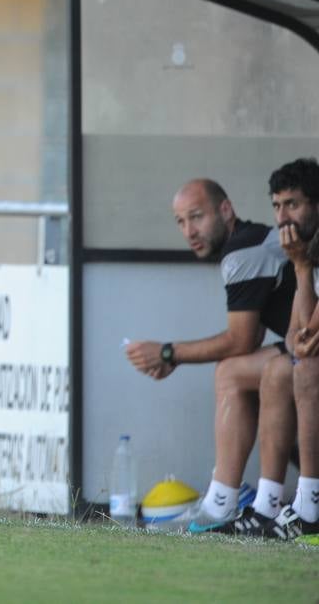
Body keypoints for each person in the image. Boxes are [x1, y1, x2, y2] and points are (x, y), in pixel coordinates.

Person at [124, 165, 317, 534]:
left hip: (308, 354)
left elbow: (242, 339)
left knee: (232, 370)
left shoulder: (242, 251)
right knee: (254, 369)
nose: (189, 231)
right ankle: (249, 500)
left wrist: (168, 353)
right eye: (180, 222)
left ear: (226, 211)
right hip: (303, 347)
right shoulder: (256, 245)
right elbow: (266, 335)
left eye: (197, 217)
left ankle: (225, 501)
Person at [269, 214, 319, 540]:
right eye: (277, 205)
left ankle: (310, 502)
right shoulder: (308, 252)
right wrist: (301, 266)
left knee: (305, 371)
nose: (284, 216)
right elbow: (299, 332)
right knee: (280, 371)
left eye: (293, 204)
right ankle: (266, 501)